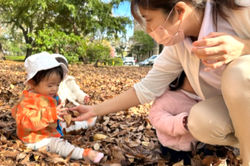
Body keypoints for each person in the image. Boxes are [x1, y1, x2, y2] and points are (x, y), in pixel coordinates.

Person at [70, 0, 250, 165]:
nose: (148, 29)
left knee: (238, 73)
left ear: (179, 10)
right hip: (237, 110)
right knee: (201, 121)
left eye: (148, 19)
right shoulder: (179, 46)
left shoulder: (240, 9)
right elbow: (145, 89)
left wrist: (243, 47)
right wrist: (94, 110)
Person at [11, 52, 104, 163]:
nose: (55, 89)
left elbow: (54, 112)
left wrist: (59, 113)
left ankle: (84, 123)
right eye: (50, 85)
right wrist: (51, 114)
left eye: (57, 84)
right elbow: (26, 122)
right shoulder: (28, 100)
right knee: (57, 144)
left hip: (50, 128)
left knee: (64, 125)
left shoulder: (48, 94)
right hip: (36, 138)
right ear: (32, 83)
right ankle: (82, 153)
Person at [52, 54, 96, 133]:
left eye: (63, 71)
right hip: (61, 109)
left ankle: (84, 124)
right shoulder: (51, 84)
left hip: (73, 106)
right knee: (61, 120)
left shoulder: (69, 80)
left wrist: (83, 97)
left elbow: (76, 91)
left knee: (87, 115)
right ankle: (66, 128)